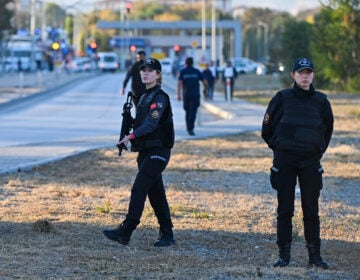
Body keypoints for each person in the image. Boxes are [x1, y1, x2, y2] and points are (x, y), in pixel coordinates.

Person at [261, 58, 334, 269]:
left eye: (308, 72)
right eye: (300, 72)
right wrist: (279, 148)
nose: (305, 75)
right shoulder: (281, 98)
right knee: (285, 209)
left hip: (310, 162)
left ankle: (315, 256)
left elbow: (327, 130)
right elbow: (267, 128)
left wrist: (318, 150)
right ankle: (284, 255)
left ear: (313, 75)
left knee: (311, 209)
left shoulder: (321, 101)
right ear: (293, 75)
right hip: (285, 161)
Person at [103, 57, 176, 247]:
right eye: (143, 70)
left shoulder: (159, 98)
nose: (145, 73)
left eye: (150, 70)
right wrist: (129, 120)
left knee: (139, 188)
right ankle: (167, 234)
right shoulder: (144, 97)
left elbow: (151, 124)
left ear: (158, 75)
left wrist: (131, 137)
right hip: (145, 152)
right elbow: (141, 123)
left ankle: (126, 231)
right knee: (156, 194)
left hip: (158, 151)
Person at [177, 57, 207, 136]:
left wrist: (179, 95)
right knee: (193, 112)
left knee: (188, 112)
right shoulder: (196, 71)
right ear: (193, 63)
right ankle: (191, 128)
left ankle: (189, 128)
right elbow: (205, 81)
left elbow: (179, 83)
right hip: (195, 95)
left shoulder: (183, 71)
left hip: (186, 95)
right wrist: (205, 89)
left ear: (185, 63)